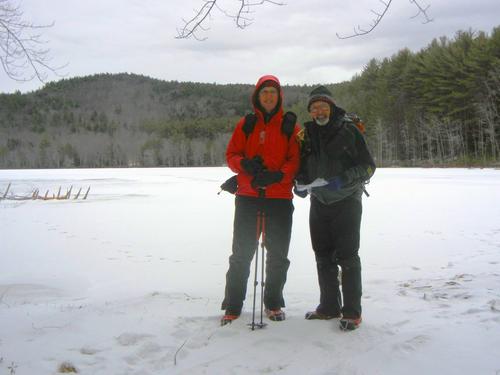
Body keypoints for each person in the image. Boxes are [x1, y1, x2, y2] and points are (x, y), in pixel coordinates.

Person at [221, 75, 300, 325]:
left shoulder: (291, 126)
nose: (268, 96)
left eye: (273, 93)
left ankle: (274, 303)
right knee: (241, 254)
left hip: (279, 199)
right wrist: (244, 164)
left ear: (279, 97)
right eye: (264, 92)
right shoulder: (247, 124)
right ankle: (233, 305)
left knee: (278, 255)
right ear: (257, 96)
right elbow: (231, 154)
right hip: (248, 197)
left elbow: (295, 160)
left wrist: (279, 175)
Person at [295, 86, 375, 331]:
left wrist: (345, 179)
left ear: (331, 107)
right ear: (310, 112)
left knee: (348, 257)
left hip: (347, 200)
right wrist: (298, 183)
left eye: (323, 106)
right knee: (322, 256)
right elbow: (302, 167)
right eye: (314, 107)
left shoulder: (349, 130)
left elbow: (368, 166)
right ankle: (329, 307)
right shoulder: (306, 135)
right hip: (319, 202)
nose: (319, 111)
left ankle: (352, 313)